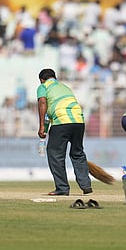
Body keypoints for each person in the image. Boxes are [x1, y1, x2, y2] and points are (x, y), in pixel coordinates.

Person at [37, 68, 92, 196]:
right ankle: (86, 185)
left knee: (55, 154)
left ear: (41, 80)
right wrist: (45, 127)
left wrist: (41, 127)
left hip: (61, 122)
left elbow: (43, 103)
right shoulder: (64, 87)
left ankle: (62, 188)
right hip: (79, 121)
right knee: (77, 153)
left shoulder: (43, 87)